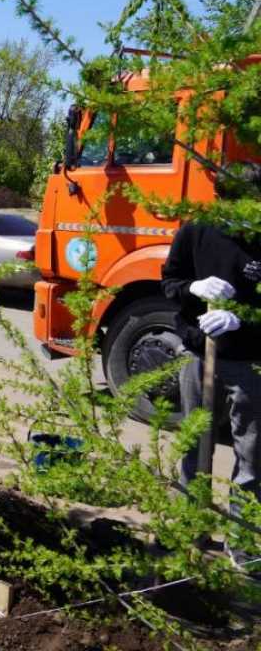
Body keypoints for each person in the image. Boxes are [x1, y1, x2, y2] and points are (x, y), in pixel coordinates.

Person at [162, 205, 261, 567]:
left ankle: (242, 541)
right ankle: (192, 526)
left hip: (251, 361)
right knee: (194, 446)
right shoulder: (196, 231)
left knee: (252, 455)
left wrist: (244, 319)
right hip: (199, 354)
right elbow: (169, 281)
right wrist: (192, 287)